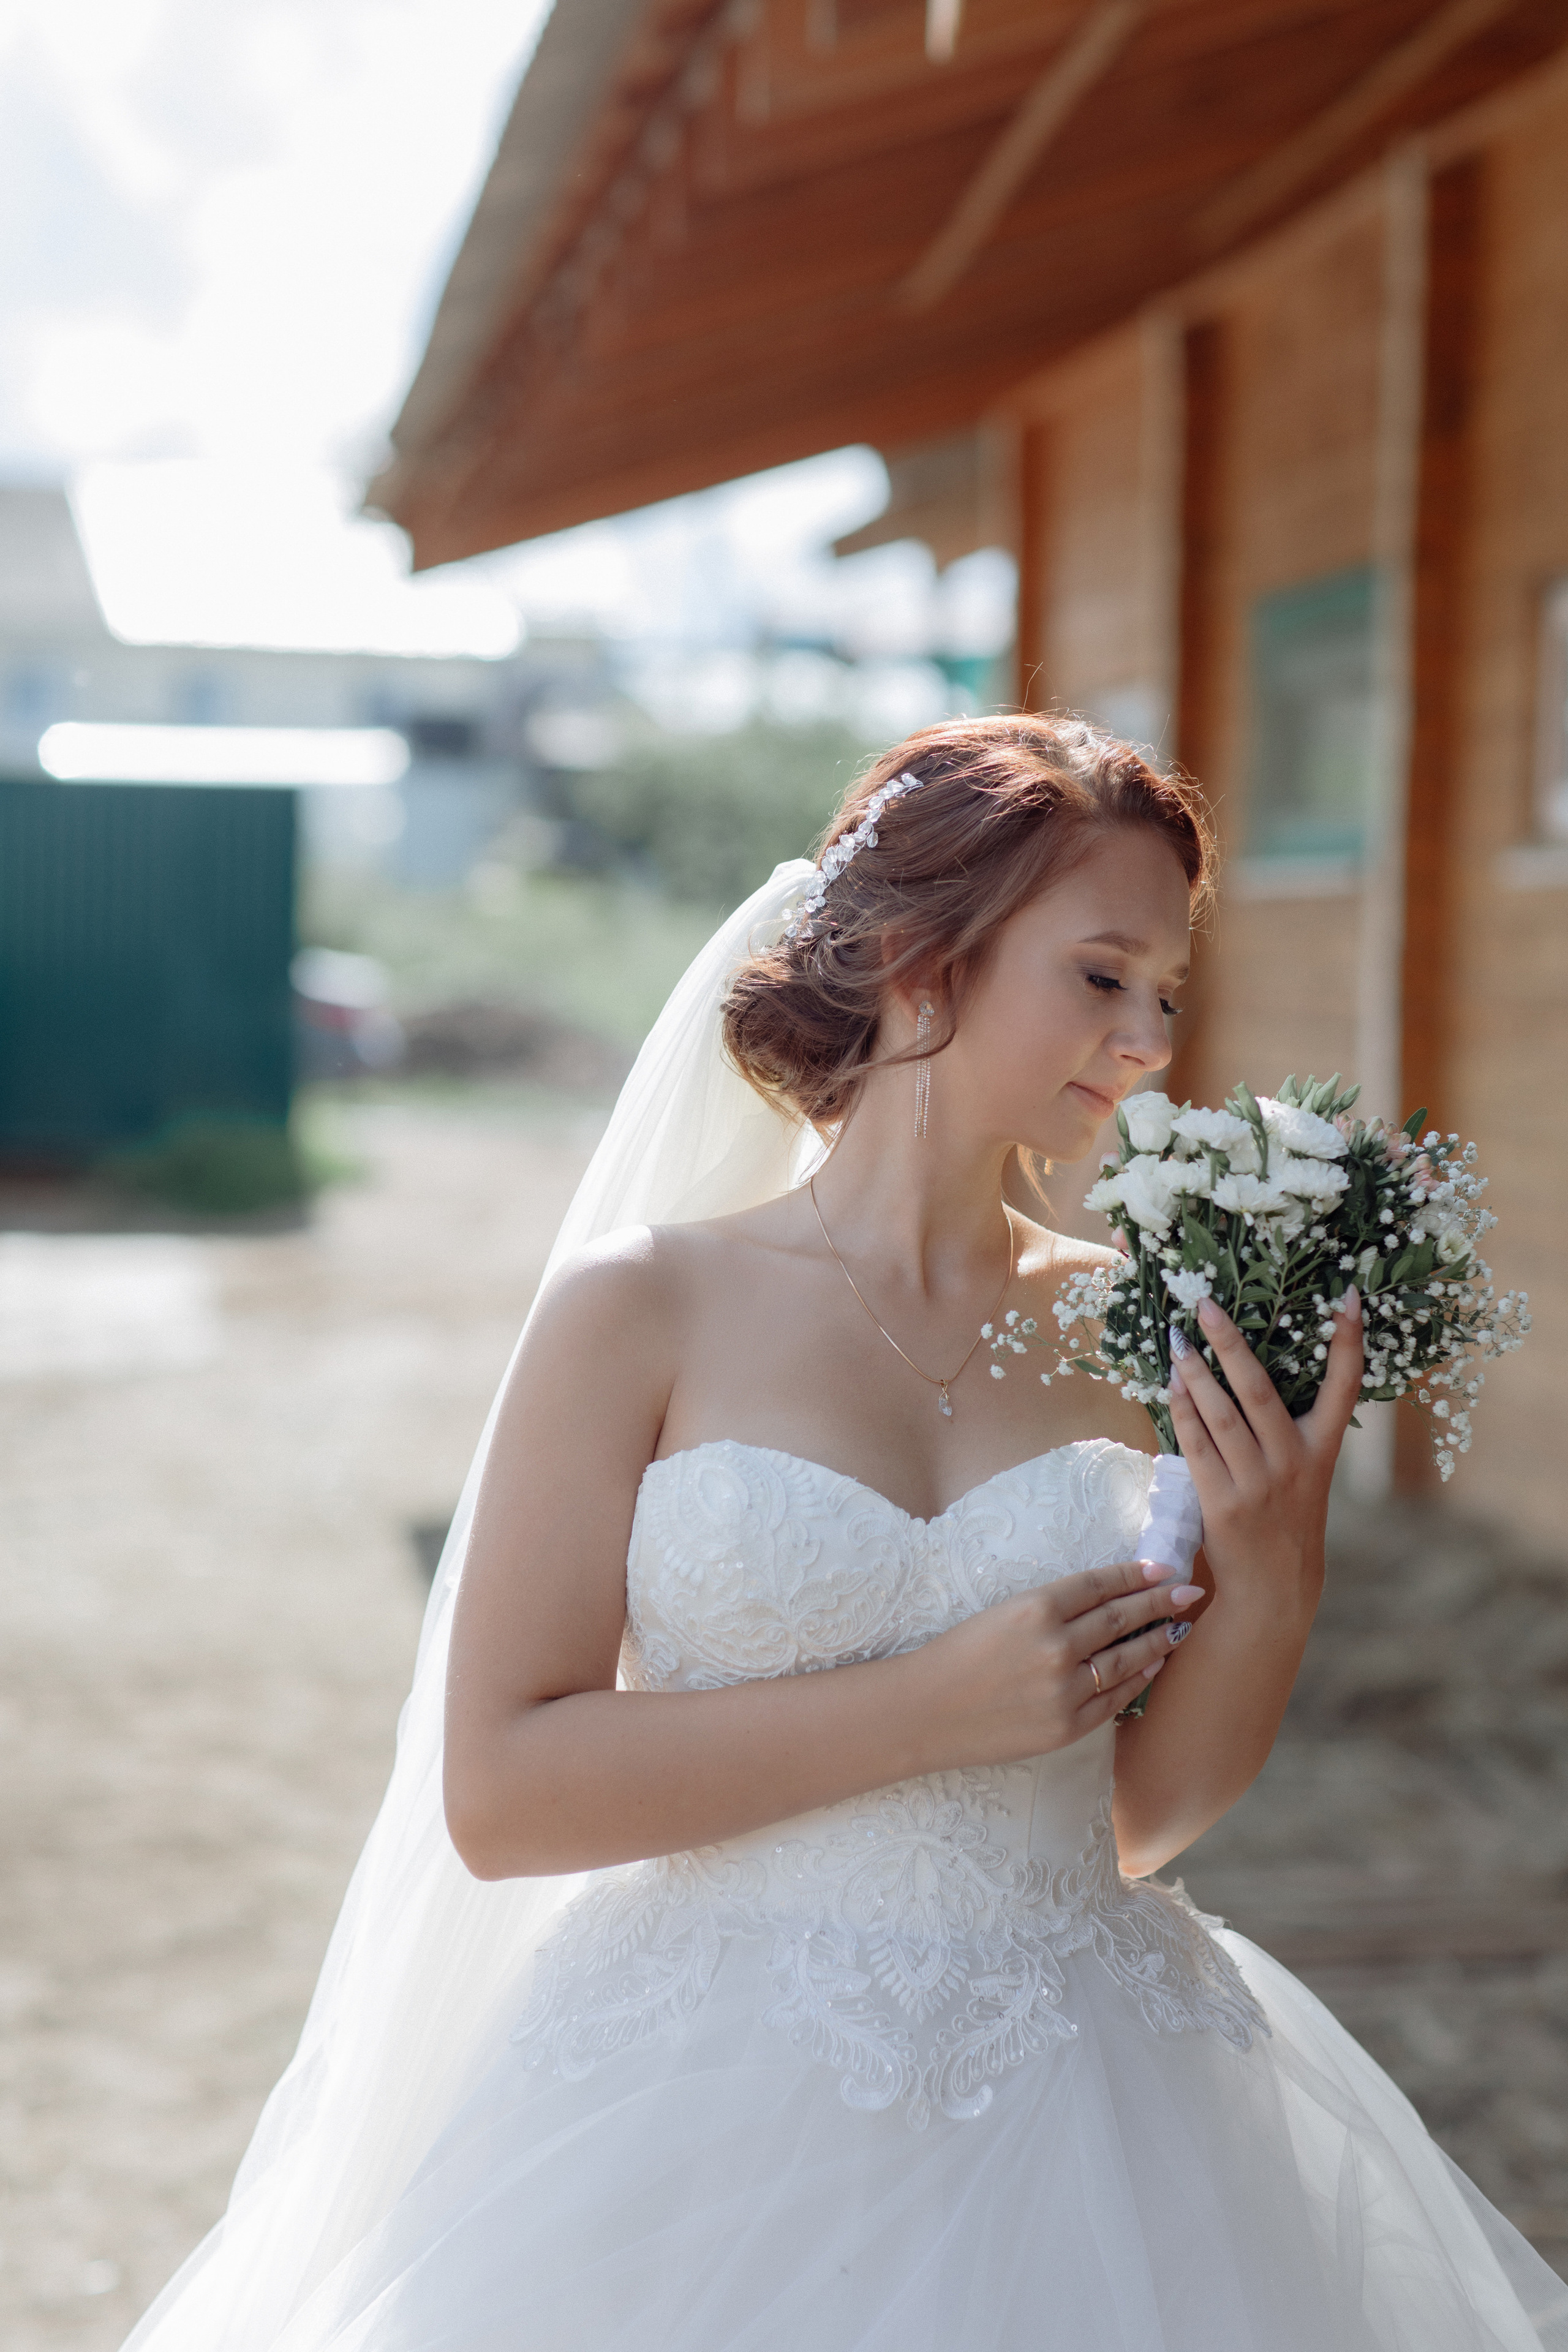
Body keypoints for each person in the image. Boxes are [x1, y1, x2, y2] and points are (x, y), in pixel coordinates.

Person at [125, 715, 1567, 2351]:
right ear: (916, 958)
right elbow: (502, 1795)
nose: (1151, 1037)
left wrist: (1278, 1574)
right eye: (1100, 975)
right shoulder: (643, 1306)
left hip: (1089, 2102)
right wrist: (927, 1711)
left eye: (1167, 990)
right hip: (687, 2115)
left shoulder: (1137, 1329)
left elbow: (1143, 1821)